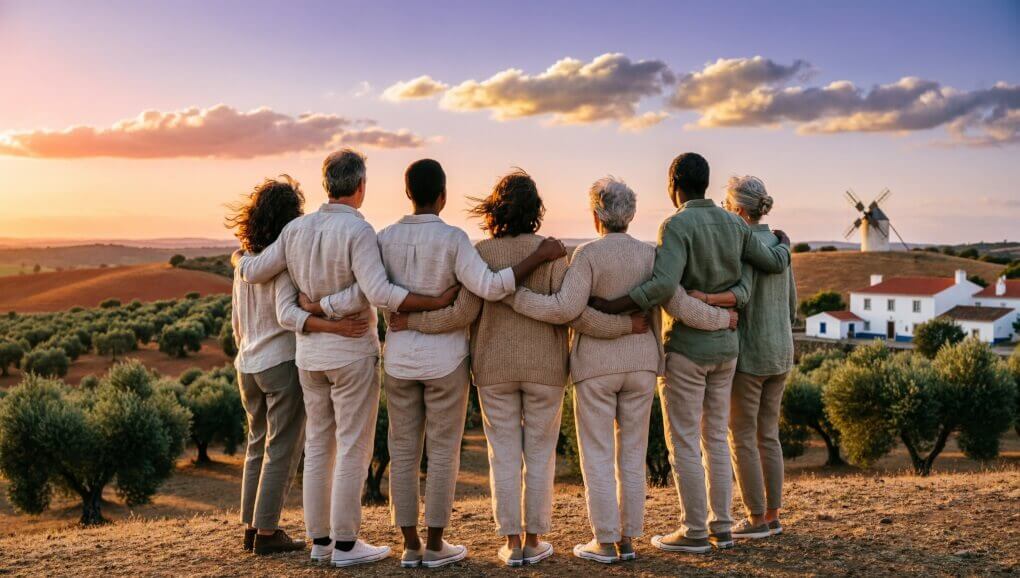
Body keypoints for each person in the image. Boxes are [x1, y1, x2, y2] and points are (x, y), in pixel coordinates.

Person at [307, 159, 565, 568]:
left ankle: (410, 546)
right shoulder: (454, 240)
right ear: (442, 195)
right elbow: (486, 291)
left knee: (403, 450)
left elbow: (373, 291)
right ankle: (436, 544)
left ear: (408, 193)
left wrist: (400, 318)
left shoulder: (383, 237)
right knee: (443, 453)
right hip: (446, 361)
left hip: (399, 360)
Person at [233, 149, 459, 568]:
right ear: (360, 187)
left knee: (318, 445)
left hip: (308, 357)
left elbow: (257, 269)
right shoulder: (359, 230)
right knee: (353, 445)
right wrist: (431, 300)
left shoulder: (296, 230)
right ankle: (345, 543)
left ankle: (319, 542)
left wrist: (312, 306)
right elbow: (375, 291)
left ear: (326, 185)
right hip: (352, 351)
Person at [504, 177, 738, 564]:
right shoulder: (650, 255)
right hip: (643, 366)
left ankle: (606, 541)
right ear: (630, 214)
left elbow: (566, 310)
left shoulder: (588, 256)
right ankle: (629, 539)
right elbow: (678, 305)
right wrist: (721, 319)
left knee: (597, 455)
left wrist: (516, 297)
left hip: (596, 368)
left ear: (596, 215)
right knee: (633, 454)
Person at [590, 153, 791, 554]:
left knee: (683, 440)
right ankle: (723, 525)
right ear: (706, 182)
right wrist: (784, 246)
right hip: (727, 351)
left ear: (673, 185)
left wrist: (619, 305)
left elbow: (665, 285)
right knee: (716, 437)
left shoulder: (676, 225)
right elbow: (755, 278)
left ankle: (695, 530)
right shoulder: (736, 224)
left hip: (687, 349)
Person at [388, 170, 580, 567]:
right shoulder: (553, 253)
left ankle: (511, 543)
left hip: (492, 368)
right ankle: (534, 539)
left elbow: (461, 312)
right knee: (540, 453)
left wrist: (413, 322)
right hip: (546, 366)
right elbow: (565, 310)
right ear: (536, 210)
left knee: (503, 452)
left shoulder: (482, 252)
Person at [227, 175, 374, 555]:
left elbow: (236, 321)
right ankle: (267, 532)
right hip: (279, 360)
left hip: (246, 363)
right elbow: (285, 312)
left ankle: (250, 526)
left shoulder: (244, 261)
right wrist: (335, 324)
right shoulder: (282, 259)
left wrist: (244, 348)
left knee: (257, 444)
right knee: (283, 448)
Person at [693, 176, 796, 540]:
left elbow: (743, 295)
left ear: (738, 210)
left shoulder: (745, 243)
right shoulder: (779, 244)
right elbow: (793, 306)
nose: (723, 211)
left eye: (725, 205)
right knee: (769, 436)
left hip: (751, 353)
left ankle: (755, 519)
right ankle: (773, 514)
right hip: (782, 352)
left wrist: (705, 299)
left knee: (741, 437)